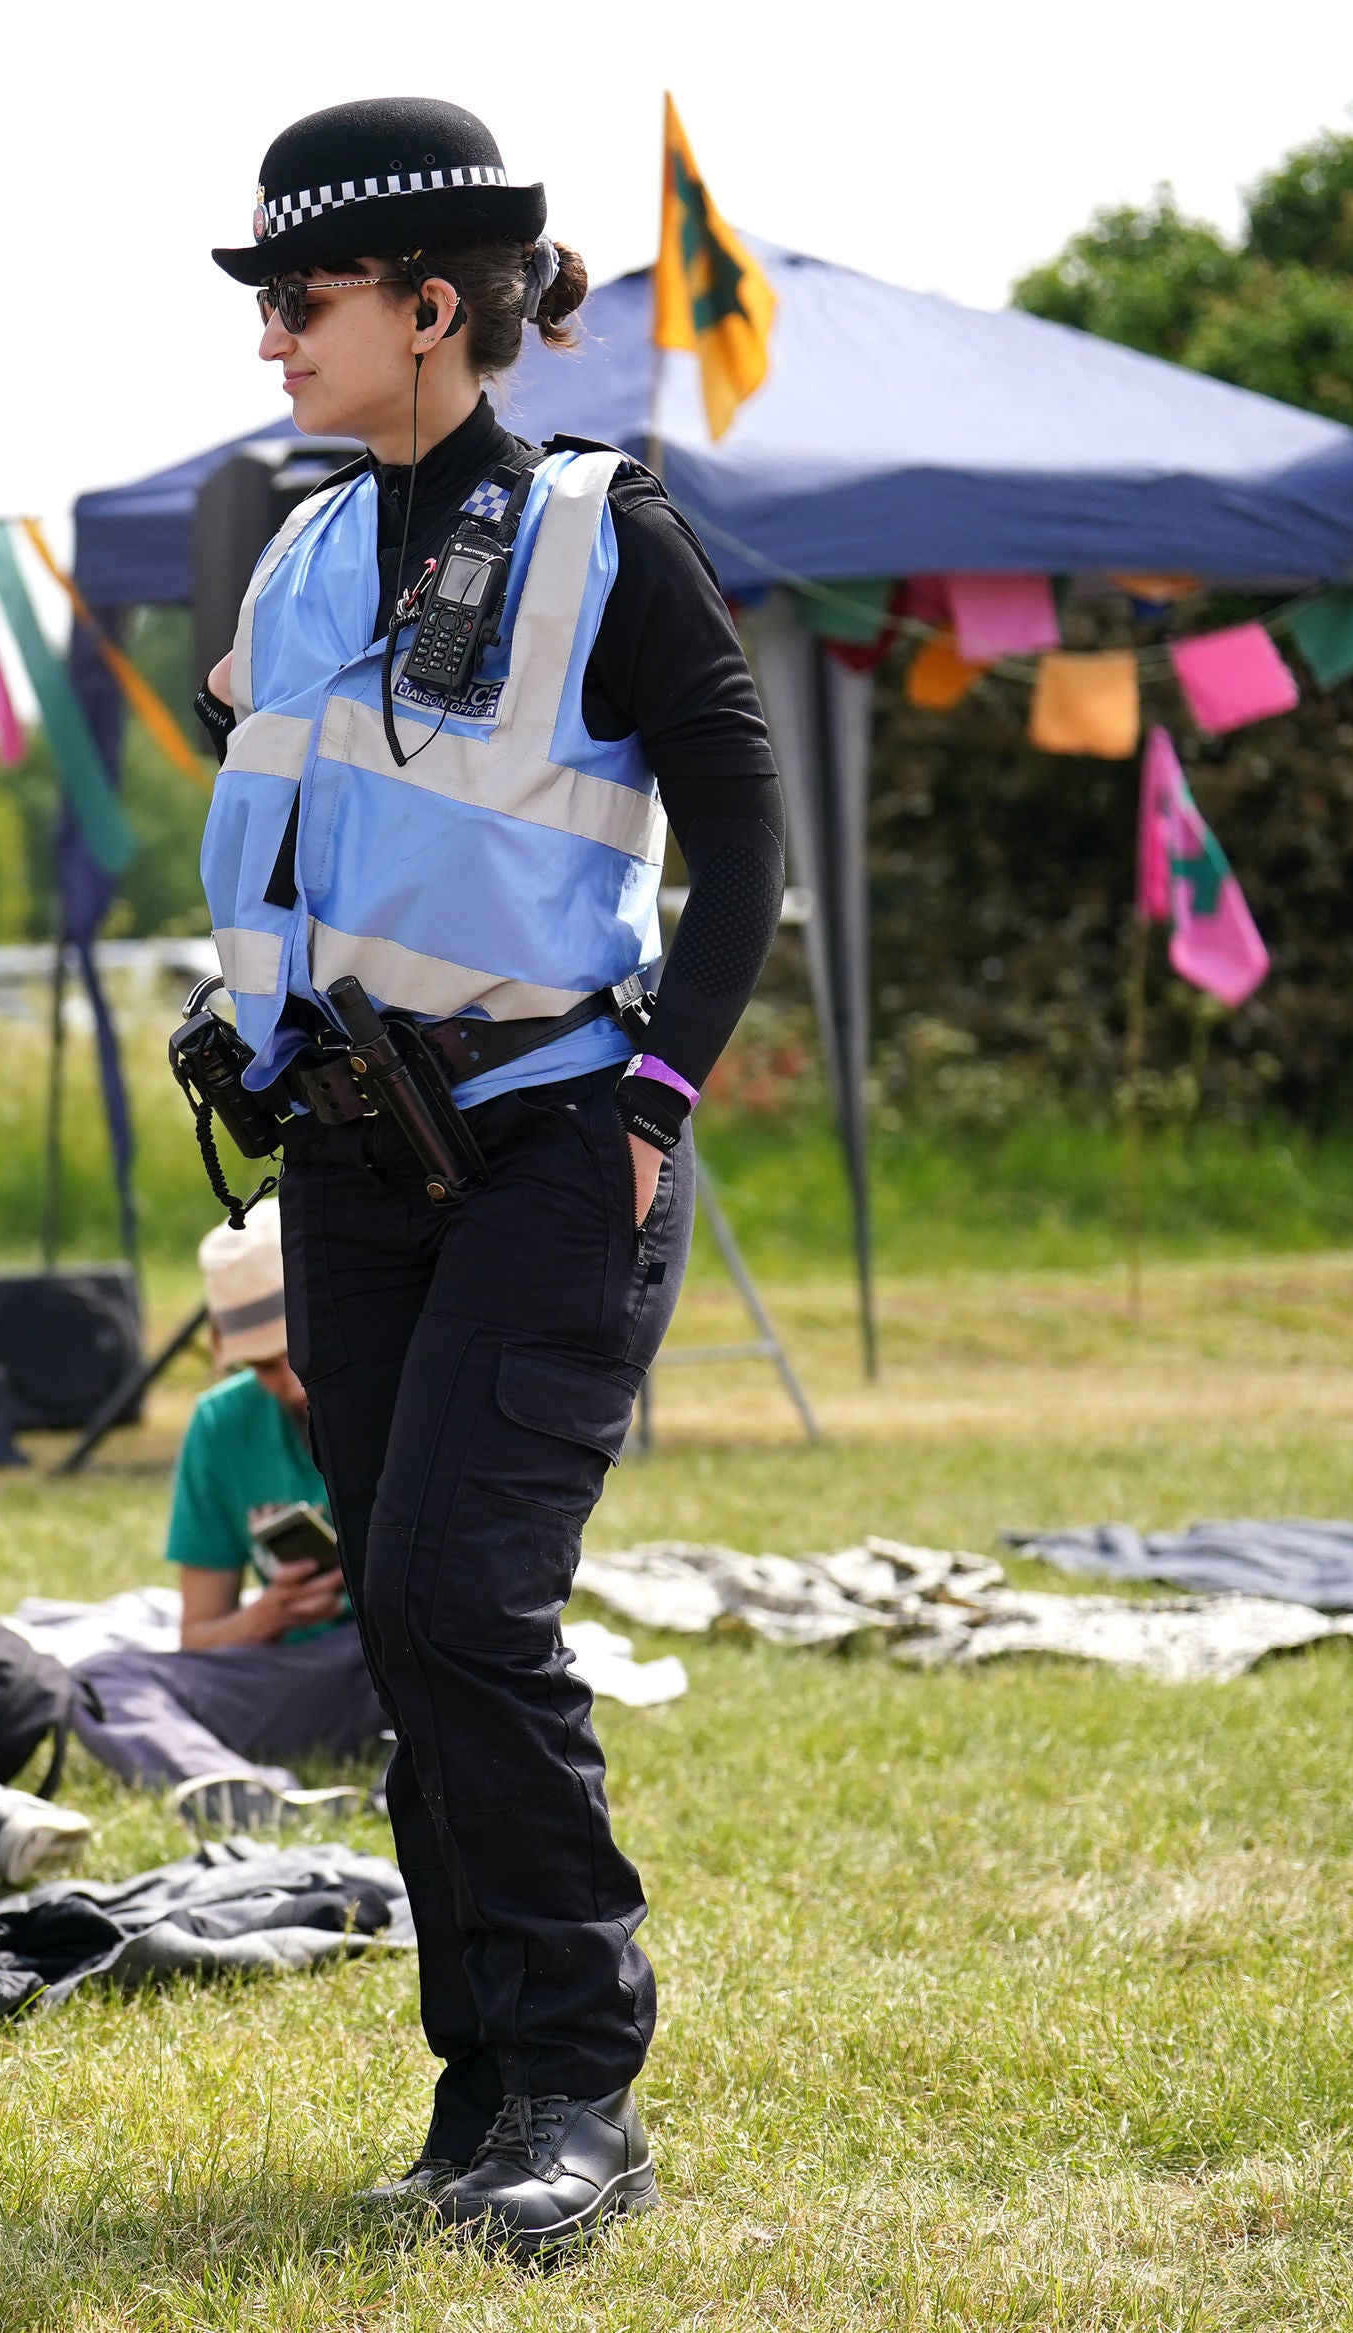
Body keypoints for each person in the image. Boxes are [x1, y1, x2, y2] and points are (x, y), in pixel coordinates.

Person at [196, 100, 788, 2253]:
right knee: (408, 1620)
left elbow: (746, 842)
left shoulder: (603, 530)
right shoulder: (294, 540)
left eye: (301, 300)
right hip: (349, 1163)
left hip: (550, 1140)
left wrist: (650, 1103)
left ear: (431, 306)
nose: (269, 339)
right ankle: (478, 2086)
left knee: (461, 1596)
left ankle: (573, 2085)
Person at [71, 1211, 385, 1829]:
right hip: (294, 1673)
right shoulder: (220, 1425)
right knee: (98, 1681)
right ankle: (243, 1792)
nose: (293, 1388)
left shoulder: (401, 1389)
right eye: (264, 1368)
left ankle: (416, 1777)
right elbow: (202, 1634)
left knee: (464, 1641)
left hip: (405, 1656)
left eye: (297, 1356)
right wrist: (268, 1616)